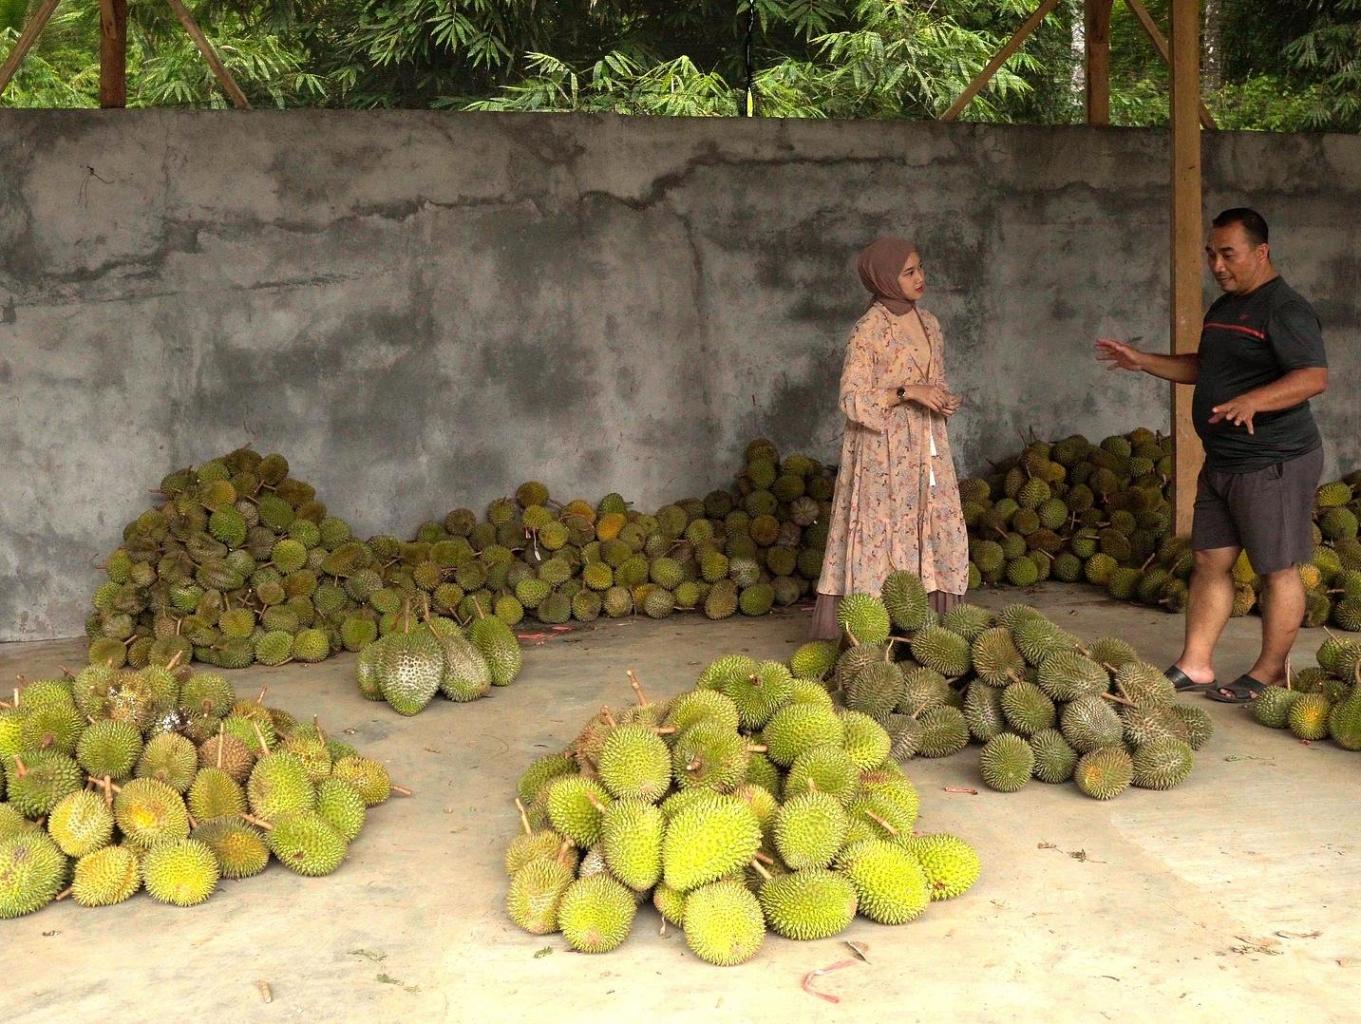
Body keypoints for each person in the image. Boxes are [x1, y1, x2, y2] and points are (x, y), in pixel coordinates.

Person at [1096, 208, 1328, 702]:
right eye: (1211, 254)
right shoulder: (1224, 308)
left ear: (1261, 252)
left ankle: (1269, 672)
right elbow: (1205, 367)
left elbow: (1313, 377)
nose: (1217, 265)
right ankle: (1196, 664)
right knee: (1209, 559)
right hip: (1223, 459)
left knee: (1276, 569)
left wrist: (1255, 401)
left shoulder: (1285, 309)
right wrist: (1143, 361)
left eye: (1228, 254)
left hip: (1272, 460)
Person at [811, 237, 970, 641]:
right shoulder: (868, 330)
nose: (920, 278)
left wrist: (941, 398)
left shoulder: (930, 323)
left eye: (921, 268)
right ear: (884, 278)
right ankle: (874, 631)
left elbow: (934, 380)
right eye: (908, 272)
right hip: (882, 451)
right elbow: (852, 399)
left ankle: (927, 629)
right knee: (883, 530)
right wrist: (908, 392)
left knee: (935, 523)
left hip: (928, 446)